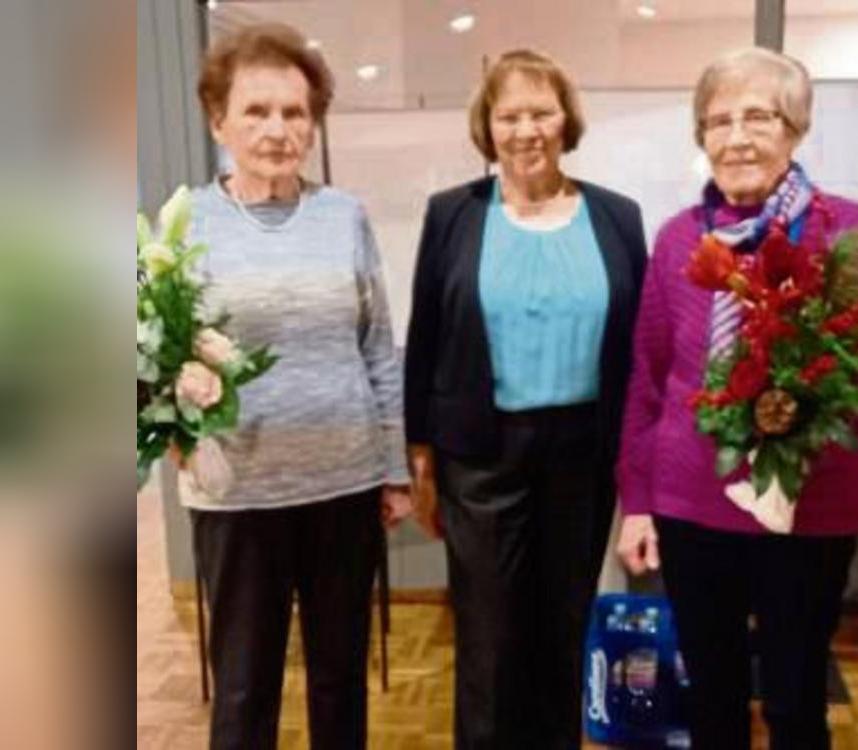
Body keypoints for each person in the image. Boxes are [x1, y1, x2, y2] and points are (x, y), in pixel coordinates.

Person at [615, 47, 858, 750]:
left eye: (758, 115)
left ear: (795, 128)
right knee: (712, 702)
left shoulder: (849, 232)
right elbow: (648, 380)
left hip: (811, 513)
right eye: (718, 121)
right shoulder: (676, 241)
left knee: (793, 702)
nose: (737, 136)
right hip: (692, 505)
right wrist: (637, 501)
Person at [404, 49, 647, 750]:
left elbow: (639, 343)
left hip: (583, 453)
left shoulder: (617, 217)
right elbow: (427, 334)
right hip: (480, 454)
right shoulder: (452, 214)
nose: (526, 129)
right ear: (487, 127)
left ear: (567, 119)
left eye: (541, 111)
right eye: (508, 115)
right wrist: (419, 453)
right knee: (489, 637)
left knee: (564, 624)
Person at [184, 23, 411, 749]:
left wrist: (394, 467)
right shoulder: (187, 221)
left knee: (340, 677)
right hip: (238, 492)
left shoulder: (343, 216)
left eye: (295, 112)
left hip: (343, 488)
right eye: (257, 110)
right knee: (245, 684)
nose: (278, 129)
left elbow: (376, 345)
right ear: (218, 118)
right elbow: (141, 353)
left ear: (313, 124)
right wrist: (172, 435)